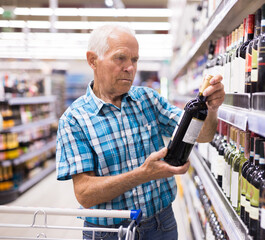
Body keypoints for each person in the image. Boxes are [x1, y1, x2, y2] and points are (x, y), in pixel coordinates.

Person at [56, 24, 225, 240]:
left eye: (134, 60)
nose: (130, 68)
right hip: (109, 234)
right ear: (93, 60)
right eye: (120, 58)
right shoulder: (74, 120)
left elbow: (202, 135)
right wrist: (143, 174)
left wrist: (211, 110)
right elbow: (85, 194)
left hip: (161, 224)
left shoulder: (148, 100)